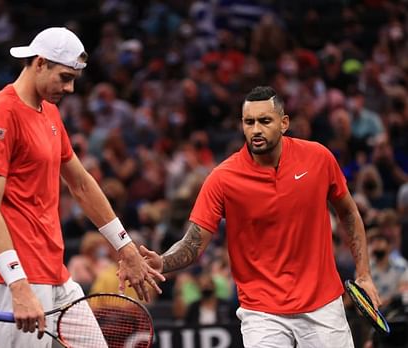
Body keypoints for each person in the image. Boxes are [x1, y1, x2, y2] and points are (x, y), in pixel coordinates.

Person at [140, 86, 380, 347]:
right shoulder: (223, 178)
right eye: (249, 122)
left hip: (323, 305)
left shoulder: (318, 158)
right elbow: (194, 242)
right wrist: (161, 262)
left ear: (284, 123)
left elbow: (348, 211)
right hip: (262, 312)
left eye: (265, 121)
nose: (256, 129)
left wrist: (364, 273)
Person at [0, 27, 164, 348]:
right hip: (15, 279)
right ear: (40, 63)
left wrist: (126, 248)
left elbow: (82, 184)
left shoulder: (50, 113)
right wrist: (18, 286)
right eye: (64, 77)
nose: (70, 88)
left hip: (56, 274)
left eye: (74, 79)